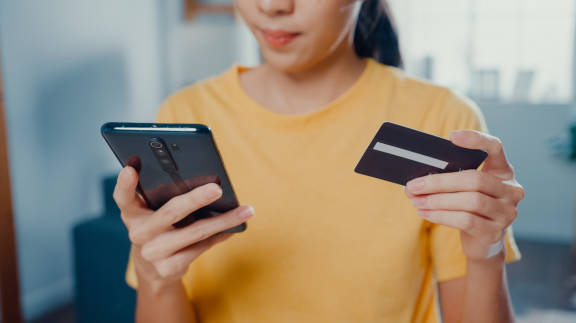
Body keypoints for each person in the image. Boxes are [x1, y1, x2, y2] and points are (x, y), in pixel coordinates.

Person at [113, 0, 525, 322]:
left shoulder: (440, 120)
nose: (272, 7)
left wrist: (485, 257)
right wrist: (155, 278)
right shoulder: (184, 116)